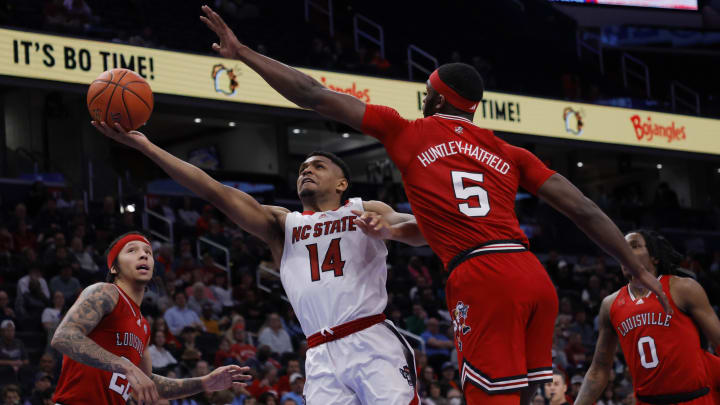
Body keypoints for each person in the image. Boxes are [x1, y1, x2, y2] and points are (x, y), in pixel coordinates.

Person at [196, 6, 670, 404]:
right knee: (530, 396)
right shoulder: (509, 152)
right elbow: (583, 208)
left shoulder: (408, 131)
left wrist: (244, 55)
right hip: (531, 274)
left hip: (482, 277)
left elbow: (312, 94)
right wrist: (634, 267)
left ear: (434, 97)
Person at [94, 119, 423, 404]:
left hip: (369, 338)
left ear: (341, 184)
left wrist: (391, 231)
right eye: (302, 168)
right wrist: (148, 148)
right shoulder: (283, 225)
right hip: (321, 353)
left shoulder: (364, 210)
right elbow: (213, 190)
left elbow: (425, 231)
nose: (306, 170)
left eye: (318, 166)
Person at [50, 231, 250, 404]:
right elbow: (64, 336)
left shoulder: (144, 326)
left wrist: (204, 382)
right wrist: (125, 365)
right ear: (114, 268)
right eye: (132, 250)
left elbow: (148, 382)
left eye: (148, 252)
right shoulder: (105, 292)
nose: (143, 255)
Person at [575, 230, 720, 405]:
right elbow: (599, 369)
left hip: (693, 399)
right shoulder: (610, 305)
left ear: (654, 258)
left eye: (634, 246)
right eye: (622, 247)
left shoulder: (682, 288)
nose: (625, 252)